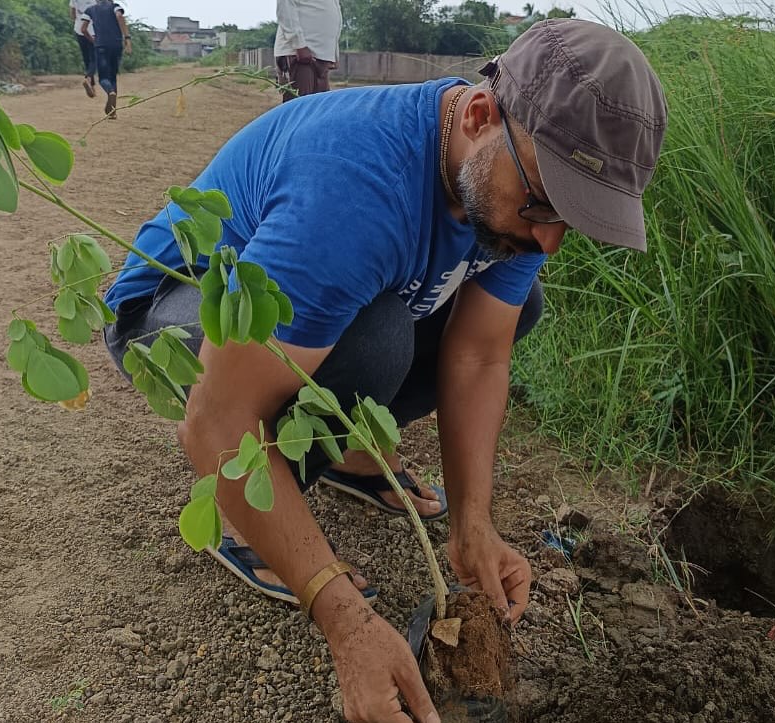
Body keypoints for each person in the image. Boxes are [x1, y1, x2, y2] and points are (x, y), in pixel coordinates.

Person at [103, 19, 666, 723]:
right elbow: (216, 417)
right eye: (545, 205)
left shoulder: (509, 183)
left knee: (516, 307)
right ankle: (239, 514)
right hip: (172, 305)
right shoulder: (356, 190)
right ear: (481, 116)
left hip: (310, 299)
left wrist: (473, 526)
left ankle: (343, 453)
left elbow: (479, 354)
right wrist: (343, 618)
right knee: (377, 336)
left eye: (573, 220)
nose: (550, 240)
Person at [274, 0, 342, 102]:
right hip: (300, 55)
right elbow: (285, 6)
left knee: (319, 107)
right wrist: (299, 44)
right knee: (300, 107)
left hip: (320, 56)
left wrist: (333, 53)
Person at [79, 0, 132, 118]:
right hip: (116, 45)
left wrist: (93, 40)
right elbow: (119, 16)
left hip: (101, 46)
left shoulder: (90, 10)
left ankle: (110, 91)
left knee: (103, 78)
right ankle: (113, 111)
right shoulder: (115, 6)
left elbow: (83, 29)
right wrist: (127, 38)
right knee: (113, 76)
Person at [69, 0, 97, 98]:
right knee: (95, 58)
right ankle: (88, 79)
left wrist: (78, 20)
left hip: (79, 30)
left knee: (87, 59)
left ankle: (92, 85)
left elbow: (72, 14)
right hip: (93, 31)